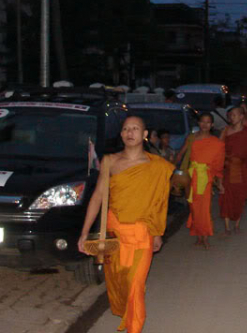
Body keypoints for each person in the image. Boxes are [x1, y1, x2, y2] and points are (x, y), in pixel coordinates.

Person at [77, 116, 174, 333]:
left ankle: (134, 328)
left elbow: (160, 203)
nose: (130, 132)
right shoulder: (110, 161)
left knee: (135, 286)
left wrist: (157, 233)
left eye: (135, 128)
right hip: (114, 233)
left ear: (145, 134)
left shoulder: (156, 166)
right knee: (120, 282)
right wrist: (85, 232)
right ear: (121, 134)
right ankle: (129, 317)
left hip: (142, 234)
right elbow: (98, 197)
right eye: (125, 129)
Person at [186, 113, 225, 249]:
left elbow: (219, 165)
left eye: (208, 122)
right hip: (192, 178)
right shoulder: (192, 138)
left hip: (205, 179)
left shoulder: (217, 143)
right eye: (202, 121)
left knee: (204, 209)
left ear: (212, 125)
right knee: (194, 208)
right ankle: (198, 235)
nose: (205, 124)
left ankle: (205, 236)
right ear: (198, 123)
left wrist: (219, 183)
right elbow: (184, 156)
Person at [219, 106, 247, 234]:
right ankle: (226, 227)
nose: (232, 118)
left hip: (242, 168)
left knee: (240, 197)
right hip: (228, 168)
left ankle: (237, 224)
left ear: (242, 116)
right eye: (230, 115)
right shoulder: (225, 131)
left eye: (235, 115)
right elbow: (218, 150)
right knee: (226, 196)